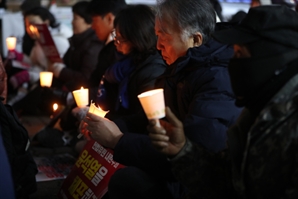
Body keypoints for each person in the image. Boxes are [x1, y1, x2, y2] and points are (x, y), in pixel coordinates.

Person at [80, 0, 241, 198]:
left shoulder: (217, 80)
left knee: (128, 181)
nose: (157, 46)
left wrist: (117, 140)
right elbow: (154, 118)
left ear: (196, 39)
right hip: (180, 173)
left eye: (164, 35)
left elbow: (191, 151)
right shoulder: (180, 68)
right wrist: (108, 124)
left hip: (204, 183)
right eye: (156, 35)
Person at [148, 5, 298, 199]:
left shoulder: (290, 121)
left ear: (272, 57)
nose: (233, 64)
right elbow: (227, 179)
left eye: (239, 54)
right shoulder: (257, 112)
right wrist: (181, 150)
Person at [74, 4, 166, 151]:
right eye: (115, 36)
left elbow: (143, 120)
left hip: (137, 141)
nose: (116, 42)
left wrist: (109, 125)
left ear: (137, 38)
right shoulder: (123, 64)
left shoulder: (152, 70)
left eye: (120, 39)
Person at [7, 6, 72, 105]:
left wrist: (30, 75)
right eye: (27, 24)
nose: (30, 28)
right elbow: (35, 63)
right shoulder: (39, 40)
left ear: (46, 22)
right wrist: (20, 56)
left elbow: (55, 69)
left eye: (33, 23)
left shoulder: (58, 40)